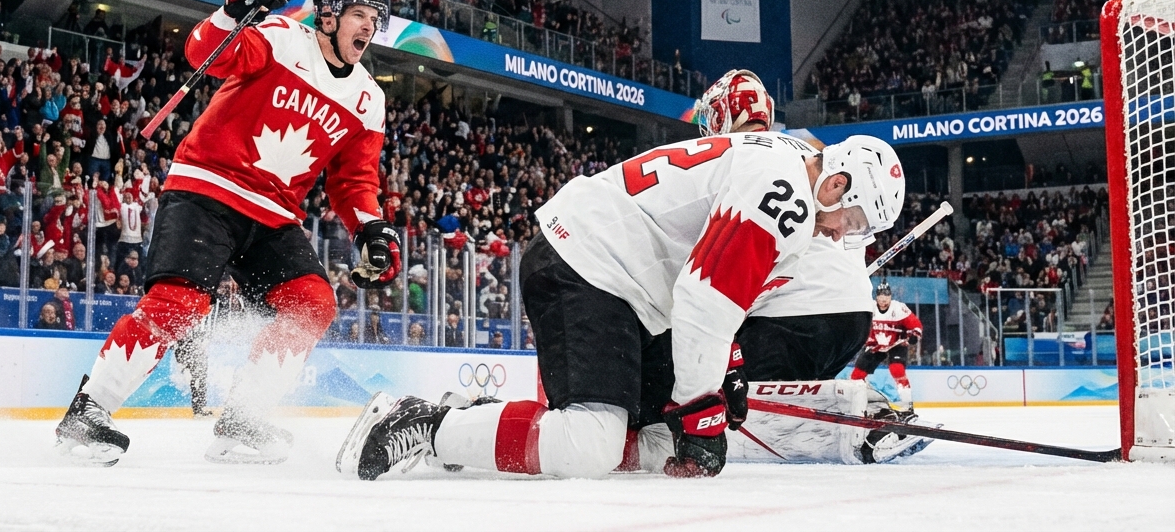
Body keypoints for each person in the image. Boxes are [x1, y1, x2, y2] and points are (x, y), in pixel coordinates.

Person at [341, 124, 903, 481]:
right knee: (590, 444)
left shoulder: (775, 163)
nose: (840, 236)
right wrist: (702, 417)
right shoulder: (786, 196)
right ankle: (427, 422)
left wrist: (721, 378)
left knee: (655, 440)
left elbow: (714, 297)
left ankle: (480, 421)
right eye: (849, 221)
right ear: (835, 184)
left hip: (620, 283)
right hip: (591, 264)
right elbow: (706, 300)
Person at [55, 0, 401, 467]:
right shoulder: (281, 37)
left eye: (375, 18)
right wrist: (236, 6)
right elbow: (204, 53)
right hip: (209, 189)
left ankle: (242, 419)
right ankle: (89, 411)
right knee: (179, 302)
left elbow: (354, 181)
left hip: (276, 214)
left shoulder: (370, 99)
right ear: (327, 16)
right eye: (359, 15)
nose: (368, 27)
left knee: (312, 302)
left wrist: (370, 226)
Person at [681, 70, 929, 466]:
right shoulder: (810, 154)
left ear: (719, 116)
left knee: (704, 385)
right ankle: (864, 408)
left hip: (792, 314)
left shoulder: (739, 154)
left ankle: (858, 422)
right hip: (850, 319)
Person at [173, 275, 247, 416]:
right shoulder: (197, 296)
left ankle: (199, 408)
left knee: (200, 373)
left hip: (201, 340)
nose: (223, 289)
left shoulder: (222, 302)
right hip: (189, 338)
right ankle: (198, 407)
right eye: (221, 285)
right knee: (197, 372)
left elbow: (229, 320)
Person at [850, 283, 923, 412]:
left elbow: (915, 324)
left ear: (890, 297)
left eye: (886, 297)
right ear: (876, 297)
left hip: (897, 343)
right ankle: (863, 400)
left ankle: (907, 404)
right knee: (856, 376)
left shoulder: (899, 308)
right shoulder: (869, 308)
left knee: (897, 370)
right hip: (875, 344)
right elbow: (858, 324)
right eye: (881, 297)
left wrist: (914, 335)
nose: (883, 300)